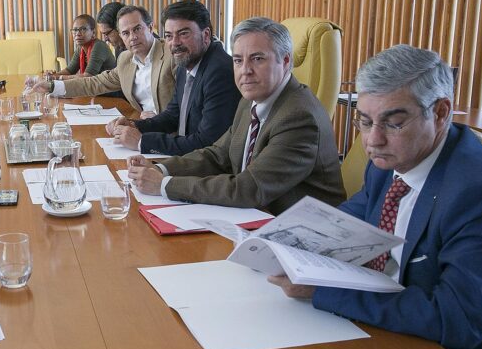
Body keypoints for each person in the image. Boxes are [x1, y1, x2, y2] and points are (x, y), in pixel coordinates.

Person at [270, 44, 482, 349]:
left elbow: (459, 319)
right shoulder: (392, 160)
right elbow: (357, 215)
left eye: (393, 123)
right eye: (365, 121)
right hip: (400, 336)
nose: (373, 140)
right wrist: (286, 239)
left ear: (440, 112)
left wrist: (324, 291)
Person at [127, 17, 345, 212]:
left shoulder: (299, 117)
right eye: (238, 60)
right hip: (255, 215)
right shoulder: (250, 98)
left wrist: (165, 185)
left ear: (286, 61)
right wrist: (161, 169)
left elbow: (248, 189)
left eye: (257, 59)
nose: (245, 71)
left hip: (299, 229)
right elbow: (218, 155)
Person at [107, 0, 240, 156]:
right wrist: (135, 125)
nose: (175, 43)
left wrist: (142, 142)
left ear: (205, 35)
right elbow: (172, 115)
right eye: (169, 36)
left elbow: (207, 143)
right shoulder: (187, 60)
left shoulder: (220, 72)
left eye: (183, 34)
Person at [32, 5, 177, 119]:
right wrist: (51, 86)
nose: (132, 37)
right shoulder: (126, 59)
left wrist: (159, 119)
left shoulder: (172, 53)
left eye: (137, 29)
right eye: (125, 33)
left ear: (150, 27)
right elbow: (95, 83)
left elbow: (185, 103)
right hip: (143, 124)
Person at [49, 14, 117, 80]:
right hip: (95, 86)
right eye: (75, 30)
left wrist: (57, 77)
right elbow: (69, 71)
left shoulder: (99, 46)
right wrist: (51, 75)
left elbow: (87, 77)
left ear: (93, 32)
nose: (78, 34)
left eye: (83, 29)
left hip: (109, 86)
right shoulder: (80, 48)